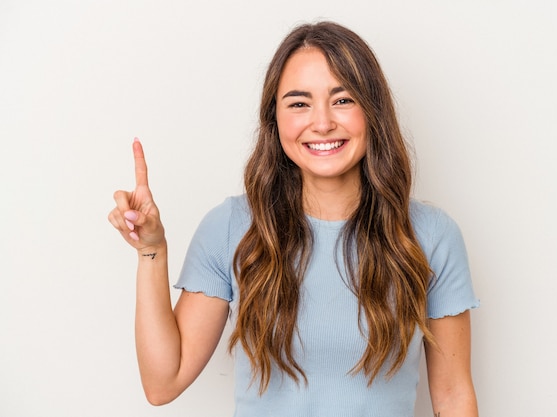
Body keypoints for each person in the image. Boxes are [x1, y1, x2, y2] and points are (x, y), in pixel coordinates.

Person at [109, 21, 479, 417]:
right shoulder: (232, 227)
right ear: (275, 119)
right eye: (299, 103)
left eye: (343, 100)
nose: (321, 122)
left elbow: (454, 397)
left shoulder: (430, 236)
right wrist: (151, 251)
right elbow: (163, 383)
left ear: (373, 111)